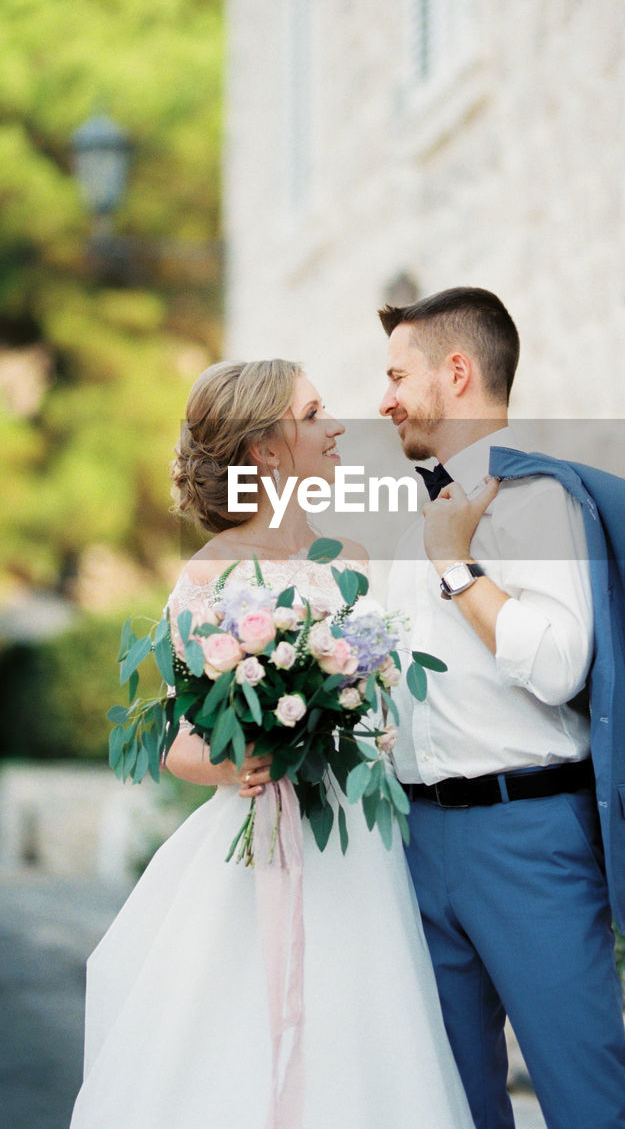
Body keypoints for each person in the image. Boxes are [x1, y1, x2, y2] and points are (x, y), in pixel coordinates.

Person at [69, 358, 476, 1129]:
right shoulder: (210, 572)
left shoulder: (350, 561)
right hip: (261, 836)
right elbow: (181, 745)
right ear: (266, 447)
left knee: (362, 1036)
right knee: (238, 1044)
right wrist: (241, 760)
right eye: (315, 413)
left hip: (356, 847)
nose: (335, 429)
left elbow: (373, 706)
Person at [378, 286, 625, 1129]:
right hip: (415, 837)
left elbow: (557, 665)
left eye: (397, 375)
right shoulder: (411, 517)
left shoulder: (545, 499)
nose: (384, 400)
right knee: (450, 1104)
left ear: (458, 370)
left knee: (586, 1102)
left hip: (529, 841)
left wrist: (457, 569)